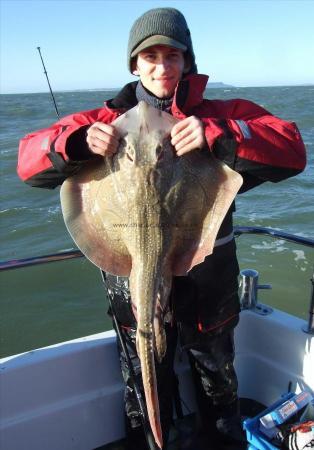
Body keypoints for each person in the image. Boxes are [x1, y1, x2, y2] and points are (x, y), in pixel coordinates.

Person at [17, 7, 306, 450]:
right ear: (135, 64)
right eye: (150, 56)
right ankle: (152, 440)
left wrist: (218, 133)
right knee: (143, 375)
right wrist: (75, 143)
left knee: (216, 376)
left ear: (187, 61)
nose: (161, 66)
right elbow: (28, 160)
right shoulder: (103, 119)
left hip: (206, 271)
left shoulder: (218, 113)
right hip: (129, 265)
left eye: (172, 55)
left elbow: (290, 146)